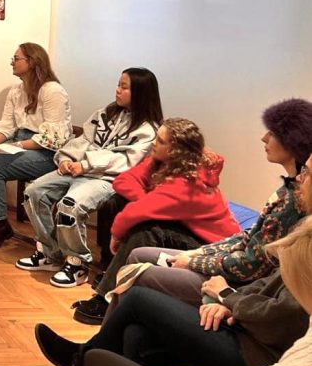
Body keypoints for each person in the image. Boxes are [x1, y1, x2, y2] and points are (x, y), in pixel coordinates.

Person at [35, 152, 312, 366]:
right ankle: (87, 357)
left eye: (307, 172)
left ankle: (80, 363)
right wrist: (228, 299)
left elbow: (280, 311)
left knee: (138, 294)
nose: (300, 178)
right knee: (135, 334)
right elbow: (261, 271)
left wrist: (227, 295)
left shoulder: (298, 222)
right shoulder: (297, 213)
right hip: (240, 314)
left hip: (256, 347)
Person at [117, 98, 312, 307]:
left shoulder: (293, 201)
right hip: (223, 256)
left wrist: (193, 261)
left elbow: (250, 266)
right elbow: (248, 237)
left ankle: (111, 312)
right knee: (138, 254)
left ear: (292, 142)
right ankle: (110, 317)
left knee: (138, 271)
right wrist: (198, 253)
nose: (263, 138)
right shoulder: (287, 190)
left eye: (272, 133)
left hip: (237, 283)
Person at [71, 118, 240, 324]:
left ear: (175, 150)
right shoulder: (161, 162)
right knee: (117, 203)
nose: (153, 143)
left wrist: (116, 234)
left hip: (212, 247)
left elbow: (135, 213)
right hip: (188, 229)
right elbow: (124, 180)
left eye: (160, 141)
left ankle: (106, 298)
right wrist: (148, 200)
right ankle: (111, 274)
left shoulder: (188, 183)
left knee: (147, 231)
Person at [17, 68, 162, 288]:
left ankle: (77, 263)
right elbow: (83, 140)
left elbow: (125, 160)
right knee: (33, 193)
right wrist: (66, 158)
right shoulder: (105, 114)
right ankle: (49, 252)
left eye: (124, 87)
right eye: (118, 84)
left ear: (140, 92)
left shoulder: (148, 129)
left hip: (107, 178)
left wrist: (85, 164)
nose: (117, 90)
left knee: (70, 205)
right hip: (78, 168)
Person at [0, 43, 73, 249]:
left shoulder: (53, 91)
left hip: (47, 153)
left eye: (16, 58)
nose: (12, 63)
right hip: (21, 144)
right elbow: (6, 125)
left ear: (32, 61)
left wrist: (17, 145)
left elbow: (54, 138)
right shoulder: (16, 91)